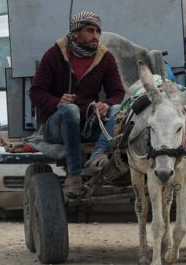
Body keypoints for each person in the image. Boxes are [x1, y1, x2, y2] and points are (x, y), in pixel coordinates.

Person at [28, 11, 125, 197]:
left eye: (98, 31)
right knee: (70, 110)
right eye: (90, 31)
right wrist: (57, 102)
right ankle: (74, 175)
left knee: (118, 110)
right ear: (75, 34)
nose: (95, 36)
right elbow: (35, 92)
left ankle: (98, 154)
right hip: (57, 126)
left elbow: (118, 93)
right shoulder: (54, 55)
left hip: (89, 123)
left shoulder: (105, 58)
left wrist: (106, 104)